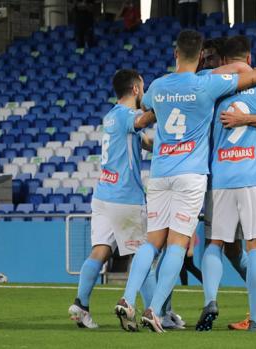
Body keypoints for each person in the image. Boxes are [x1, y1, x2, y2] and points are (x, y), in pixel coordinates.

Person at [115, 29, 256, 333]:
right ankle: (154, 310)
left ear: (175, 53)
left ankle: (126, 298)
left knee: (152, 242)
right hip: (190, 174)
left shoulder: (159, 86)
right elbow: (248, 75)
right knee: (177, 244)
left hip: (160, 172)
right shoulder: (207, 83)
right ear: (201, 55)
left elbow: (145, 108)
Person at [195, 35, 256, 332]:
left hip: (221, 176)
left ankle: (210, 301)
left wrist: (243, 119)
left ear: (222, 60)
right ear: (250, 58)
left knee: (215, 243)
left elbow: (191, 77)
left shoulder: (211, 86)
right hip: (253, 176)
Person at [67, 69, 157, 329]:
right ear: (136, 90)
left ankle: (81, 305)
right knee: (141, 255)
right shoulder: (129, 116)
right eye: (144, 87)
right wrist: (165, 103)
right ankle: (154, 314)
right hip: (124, 197)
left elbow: (144, 141)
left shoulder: (111, 117)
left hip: (103, 194)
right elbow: (141, 122)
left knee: (100, 250)